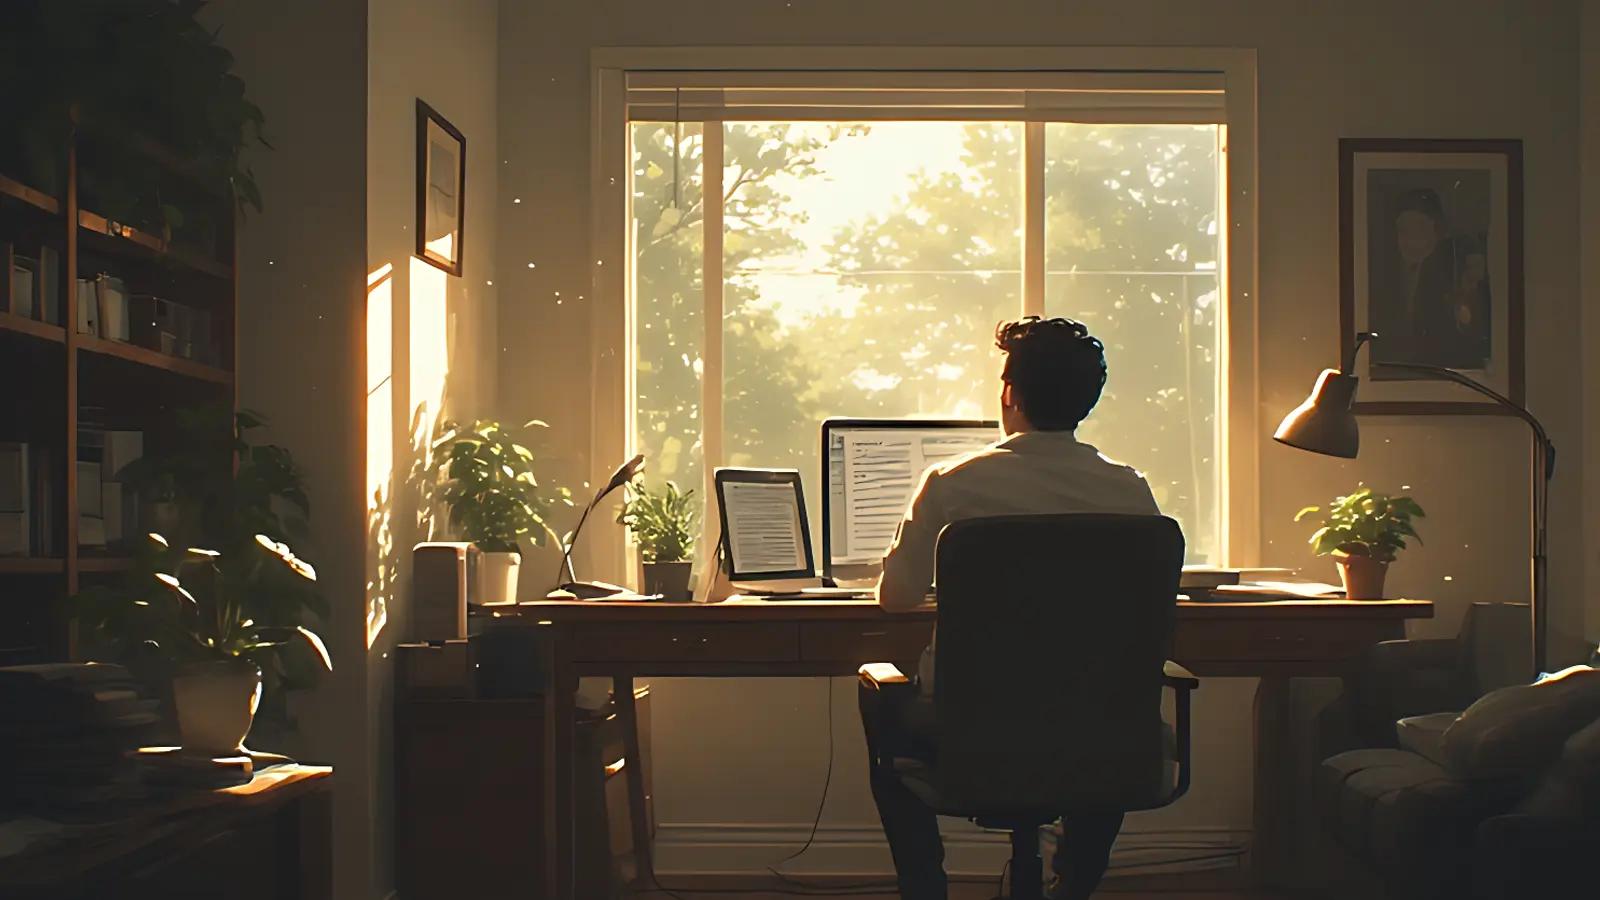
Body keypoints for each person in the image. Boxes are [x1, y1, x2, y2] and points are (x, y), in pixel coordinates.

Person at [861, 316, 1162, 900]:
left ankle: (927, 889)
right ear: (1087, 400)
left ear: (1009, 393)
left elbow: (896, 599)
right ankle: (1073, 884)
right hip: (1098, 734)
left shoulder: (952, 483)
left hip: (971, 731)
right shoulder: (1130, 489)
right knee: (1113, 722)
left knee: (881, 701)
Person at [1372, 187, 1491, 370]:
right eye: (1404, 230)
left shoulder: (1453, 273)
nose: (1411, 239)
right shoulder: (1382, 277)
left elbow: (1473, 332)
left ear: (1437, 231)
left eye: (1420, 228)